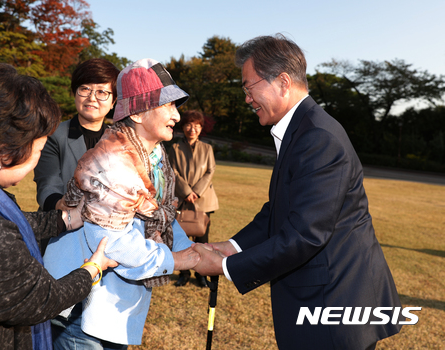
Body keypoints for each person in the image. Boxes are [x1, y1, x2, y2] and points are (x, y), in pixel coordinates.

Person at [192, 34, 403, 350]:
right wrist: (232, 246)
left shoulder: (317, 136)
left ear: (282, 82)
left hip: (334, 305)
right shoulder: (300, 129)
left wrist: (225, 267)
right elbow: (278, 210)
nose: (247, 98)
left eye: (249, 87)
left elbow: (305, 235)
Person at [0, 61, 117, 350]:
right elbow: (43, 299)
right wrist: (93, 269)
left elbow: (13, 221)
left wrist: (65, 219)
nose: (38, 157)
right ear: (2, 156)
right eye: (37, 149)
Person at [43, 58, 200, 349]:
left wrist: (193, 250)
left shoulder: (154, 156)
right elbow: (113, 243)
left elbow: (160, 213)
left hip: (109, 307)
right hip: (82, 307)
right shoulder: (114, 161)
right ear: (139, 114)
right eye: (168, 105)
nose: (177, 116)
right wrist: (178, 260)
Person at [34, 58, 120, 212]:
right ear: (75, 92)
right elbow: (47, 184)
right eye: (85, 89)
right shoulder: (54, 136)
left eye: (101, 92)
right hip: (61, 225)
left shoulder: (119, 141)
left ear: (113, 101)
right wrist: (59, 204)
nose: (92, 98)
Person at [168, 110, 219, 288]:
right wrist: (186, 191)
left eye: (197, 125)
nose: (193, 129)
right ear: (183, 127)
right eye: (189, 125)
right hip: (182, 200)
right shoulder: (174, 148)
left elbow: (210, 171)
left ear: (201, 128)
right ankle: (183, 273)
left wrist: (196, 191)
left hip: (203, 200)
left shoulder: (207, 148)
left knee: (202, 240)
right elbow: (172, 171)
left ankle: (201, 274)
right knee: (182, 238)